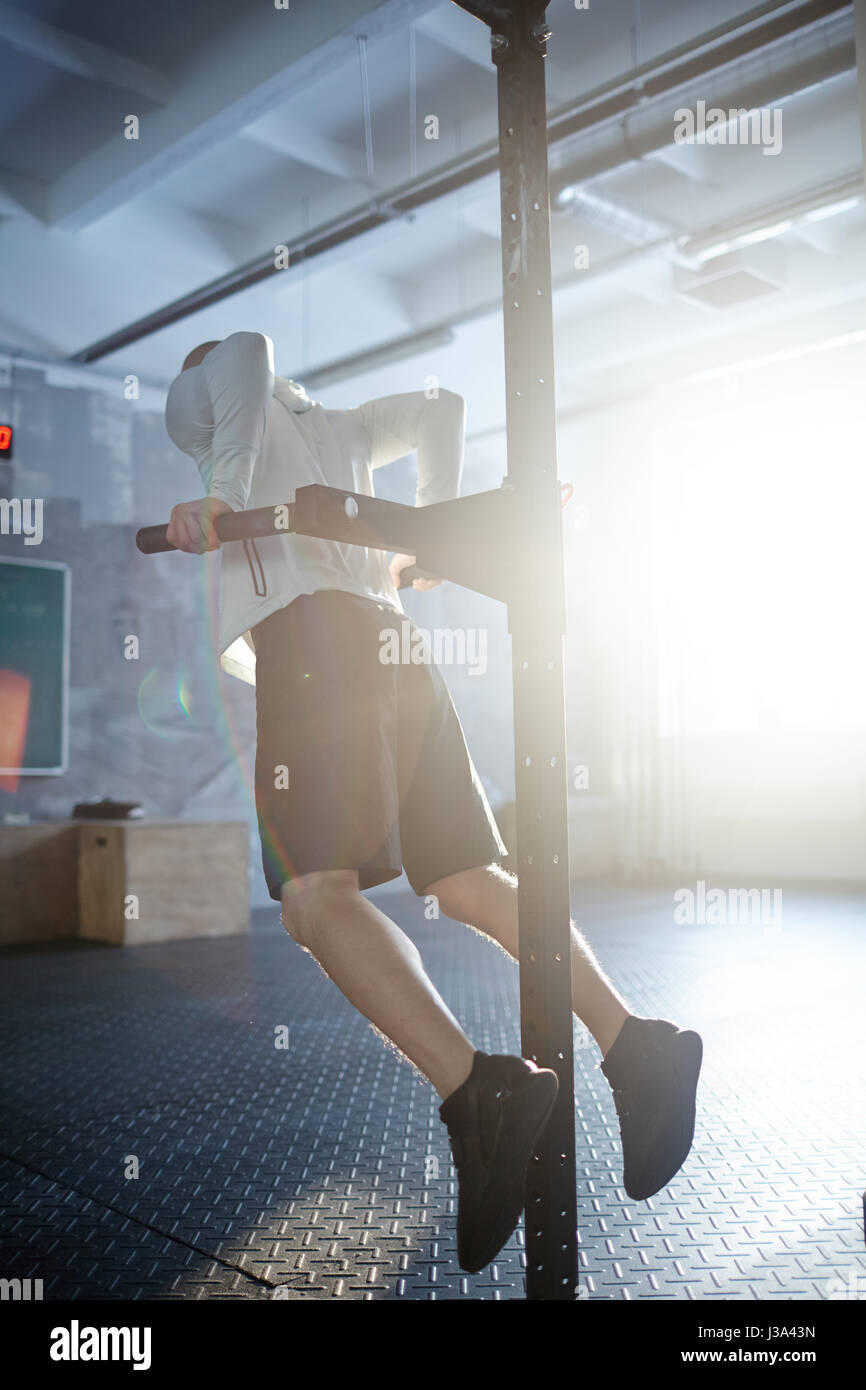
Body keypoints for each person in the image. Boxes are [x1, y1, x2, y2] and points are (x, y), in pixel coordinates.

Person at [164, 331, 703, 1274]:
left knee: (312, 899)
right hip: (396, 646)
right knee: (464, 876)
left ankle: (479, 1094)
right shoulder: (336, 426)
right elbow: (439, 409)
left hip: (318, 646)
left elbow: (243, 352)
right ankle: (636, 1043)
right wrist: (430, 541)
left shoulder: (219, 385)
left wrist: (219, 498)